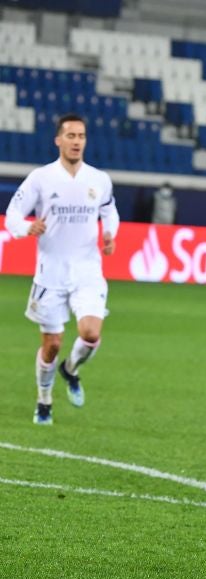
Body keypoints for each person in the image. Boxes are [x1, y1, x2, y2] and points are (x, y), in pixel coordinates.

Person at [3, 113, 119, 425]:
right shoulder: (41, 178)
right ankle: (44, 400)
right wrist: (27, 227)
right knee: (52, 344)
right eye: (70, 136)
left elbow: (110, 212)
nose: (76, 141)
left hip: (87, 271)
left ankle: (72, 369)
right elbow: (13, 214)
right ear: (58, 140)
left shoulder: (99, 179)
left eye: (81, 136)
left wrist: (110, 235)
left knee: (91, 333)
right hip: (50, 273)